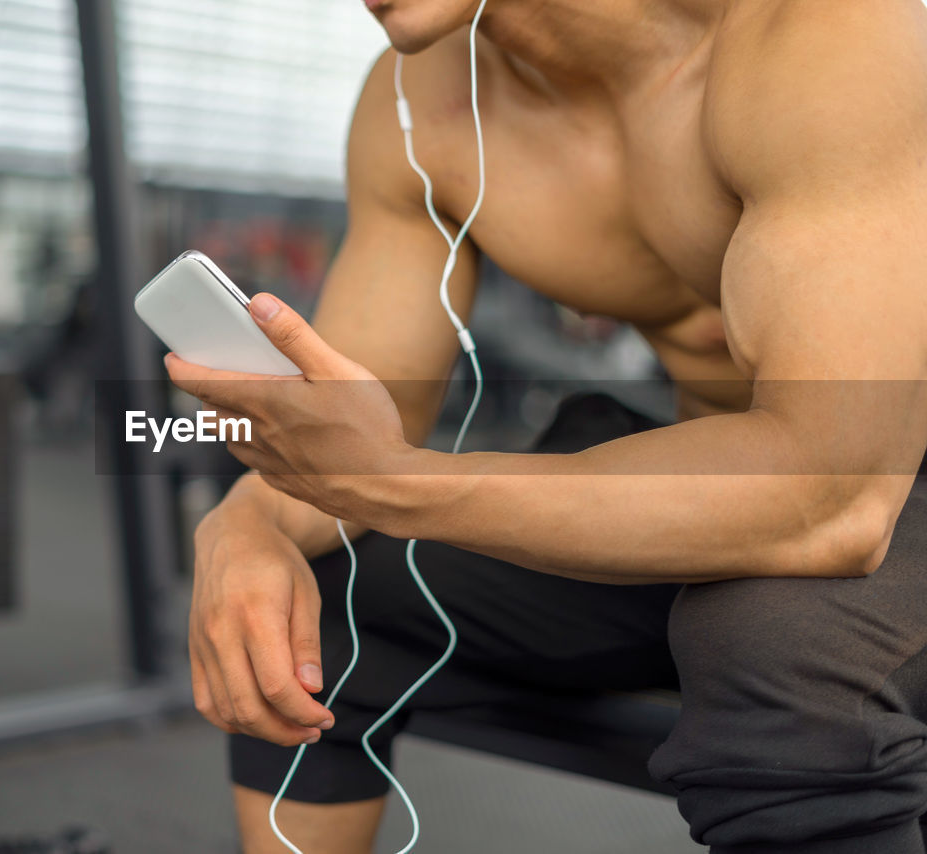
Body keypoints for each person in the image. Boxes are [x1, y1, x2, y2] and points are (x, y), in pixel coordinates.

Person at [164, 1, 927, 851]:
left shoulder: (827, 34)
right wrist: (249, 521)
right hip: (719, 490)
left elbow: (837, 495)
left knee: (772, 641)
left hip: (884, 493)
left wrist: (393, 482)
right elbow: (358, 418)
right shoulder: (417, 103)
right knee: (326, 596)